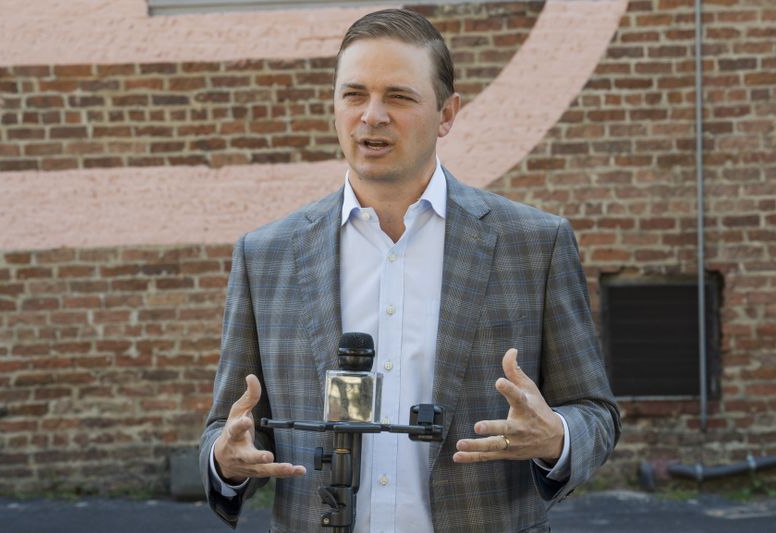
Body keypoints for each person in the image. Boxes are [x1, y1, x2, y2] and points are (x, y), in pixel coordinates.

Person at [199, 8, 620, 532]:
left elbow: (595, 413)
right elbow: (229, 426)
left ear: (447, 114)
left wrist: (557, 436)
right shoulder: (266, 255)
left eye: (398, 97)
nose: (372, 115)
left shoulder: (534, 244)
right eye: (354, 94)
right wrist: (225, 460)